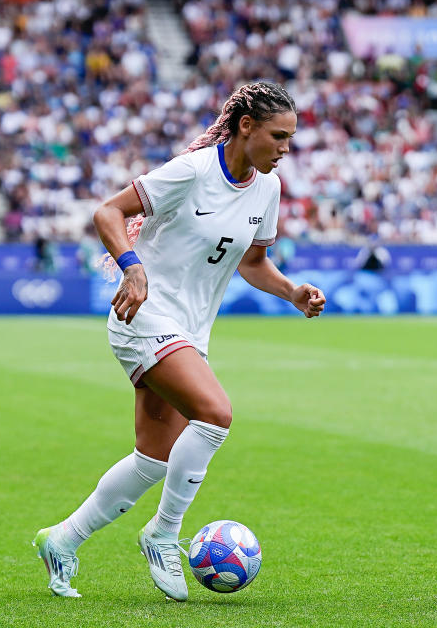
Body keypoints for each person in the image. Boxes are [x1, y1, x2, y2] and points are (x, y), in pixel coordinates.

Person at [33, 81, 326, 600]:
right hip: (143, 316)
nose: (286, 148)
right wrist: (133, 269)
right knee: (215, 414)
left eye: (291, 138)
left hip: (189, 329)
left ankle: (62, 540)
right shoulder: (192, 171)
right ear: (245, 127)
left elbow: (253, 263)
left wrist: (292, 292)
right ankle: (164, 534)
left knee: (153, 459)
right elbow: (108, 213)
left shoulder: (267, 188)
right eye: (278, 136)